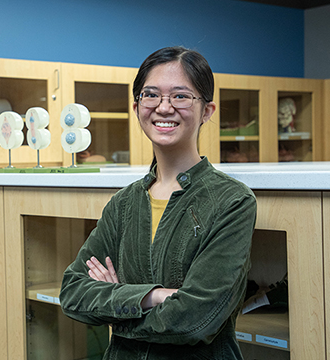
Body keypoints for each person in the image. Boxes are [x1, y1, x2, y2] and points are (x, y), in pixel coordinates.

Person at [59, 46, 257, 359]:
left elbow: (194, 320)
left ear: (207, 110)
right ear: (137, 107)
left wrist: (117, 305)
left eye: (180, 96)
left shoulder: (231, 201)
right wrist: (155, 296)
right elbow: (72, 293)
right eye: (151, 95)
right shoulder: (123, 204)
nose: (164, 108)